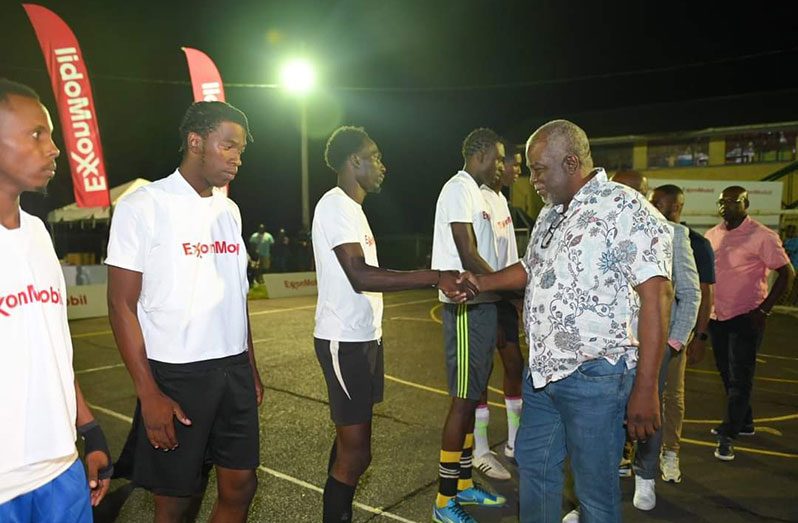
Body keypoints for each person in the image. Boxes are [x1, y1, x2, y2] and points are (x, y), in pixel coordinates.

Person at [460, 120, 673, 522]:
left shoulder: (624, 207)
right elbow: (531, 267)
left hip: (595, 378)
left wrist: (646, 387)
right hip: (542, 376)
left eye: (539, 169)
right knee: (535, 471)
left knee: (594, 494)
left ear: (572, 162)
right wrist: (481, 282)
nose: (532, 178)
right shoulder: (551, 213)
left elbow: (657, 294)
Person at [106, 101, 263, 523]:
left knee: (241, 484)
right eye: (227, 146)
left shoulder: (229, 211)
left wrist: (250, 365)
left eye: (241, 151)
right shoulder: (144, 205)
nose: (236, 158)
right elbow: (120, 304)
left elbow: (235, 295)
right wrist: (148, 391)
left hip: (233, 371)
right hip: (176, 375)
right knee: (176, 500)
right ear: (196, 142)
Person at [312, 125, 469, 523]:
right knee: (357, 452)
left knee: (349, 445)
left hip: (365, 339)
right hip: (342, 340)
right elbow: (361, 276)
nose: (383, 165)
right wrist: (432, 275)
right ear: (354, 161)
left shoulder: (354, 210)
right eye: (375, 156)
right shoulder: (334, 205)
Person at [0, 78, 111, 521]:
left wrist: (89, 429)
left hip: (62, 471)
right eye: (36, 134)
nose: (54, 148)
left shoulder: (39, 234)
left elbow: (52, 346)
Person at [431, 128, 508, 522]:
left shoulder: (482, 195)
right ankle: (444, 502)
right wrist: (507, 286)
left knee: (473, 392)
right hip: (464, 307)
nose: (501, 164)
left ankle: (462, 484)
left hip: (484, 305)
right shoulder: (458, 188)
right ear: (479, 154)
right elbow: (466, 252)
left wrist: (499, 291)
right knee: (462, 402)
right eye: (497, 157)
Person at [612, 174, 700, 512]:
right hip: (613, 344)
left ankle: (646, 476)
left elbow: (690, 294)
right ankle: (598, 490)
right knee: (606, 414)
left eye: (634, 191)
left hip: (655, 344)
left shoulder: (673, 233)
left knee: (649, 410)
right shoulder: (607, 230)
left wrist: (674, 342)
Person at [705, 186, 794, 461]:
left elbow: (786, 274)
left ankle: (728, 433)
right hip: (716, 316)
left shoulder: (763, 236)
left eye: (734, 201)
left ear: (747, 204)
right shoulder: (712, 234)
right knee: (726, 372)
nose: (726, 206)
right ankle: (745, 422)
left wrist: (764, 311)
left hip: (746, 316)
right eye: (723, 201)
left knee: (740, 376)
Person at [652, 184, 716, 484]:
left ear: (676, 207)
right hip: (638, 337)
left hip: (670, 337)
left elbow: (697, 294)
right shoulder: (642, 232)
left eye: (659, 203)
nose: (653, 206)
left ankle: (670, 452)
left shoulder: (692, 242)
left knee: (671, 397)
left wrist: (682, 339)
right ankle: (630, 453)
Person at [472, 139, 524, 481]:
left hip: (503, 296)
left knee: (514, 365)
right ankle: (478, 448)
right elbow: (475, 254)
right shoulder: (474, 198)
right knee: (479, 374)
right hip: (484, 298)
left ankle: (516, 442)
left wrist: (516, 298)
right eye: (510, 162)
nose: (515, 168)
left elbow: (508, 258)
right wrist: (495, 294)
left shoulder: (503, 200)